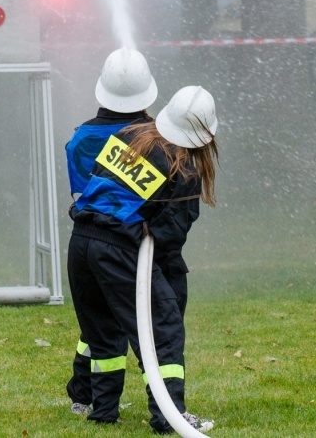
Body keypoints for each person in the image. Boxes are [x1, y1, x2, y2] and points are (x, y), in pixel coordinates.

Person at [67, 85, 219, 434]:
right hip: (120, 250)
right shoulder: (184, 169)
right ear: (205, 136)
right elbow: (169, 235)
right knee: (163, 329)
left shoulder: (129, 136)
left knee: (101, 328)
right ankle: (169, 416)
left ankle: (101, 410)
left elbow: (101, 187)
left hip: (82, 240)